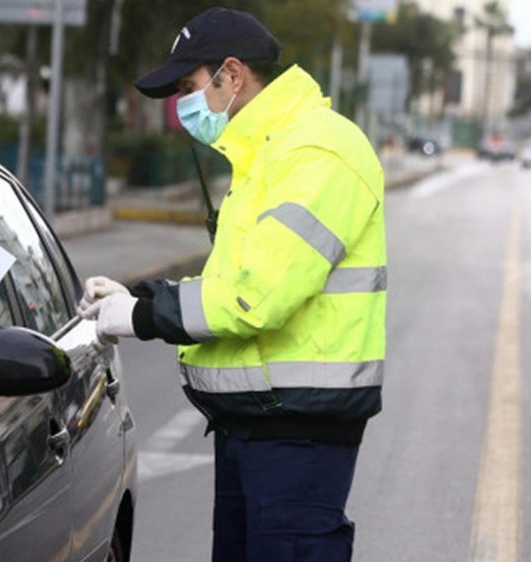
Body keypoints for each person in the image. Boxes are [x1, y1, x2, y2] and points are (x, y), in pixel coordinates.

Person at [79, 7, 385, 562]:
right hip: (254, 423)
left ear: (232, 74)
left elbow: (257, 297)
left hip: (297, 432)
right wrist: (141, 295)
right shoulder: (265, 154)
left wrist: (141, 318)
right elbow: (232, 280)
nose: (182, 105)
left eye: (188, 86)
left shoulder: (316, 150)